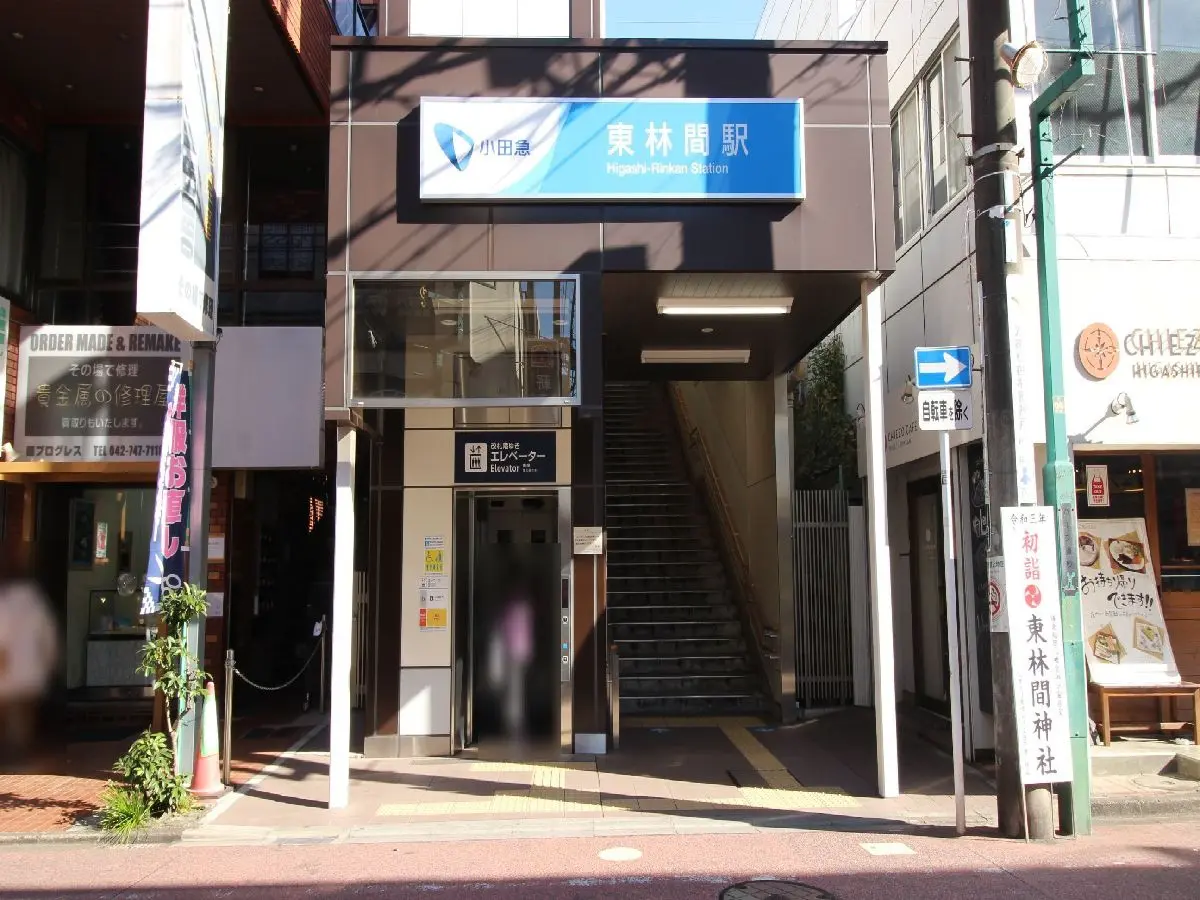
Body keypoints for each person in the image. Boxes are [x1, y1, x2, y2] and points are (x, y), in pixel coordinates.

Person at [0, 579, 58, 763]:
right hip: (31, 676)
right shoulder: (37, 603)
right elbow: (49, 640)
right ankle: (17, 757)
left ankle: (12, 758)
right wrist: (49, 667)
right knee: (22, 725)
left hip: (8, 678)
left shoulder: (5, 602)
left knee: (11, 722)